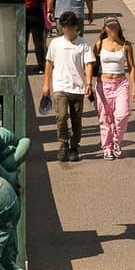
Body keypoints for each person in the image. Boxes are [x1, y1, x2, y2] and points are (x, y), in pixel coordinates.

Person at [41, 12, 95, 164]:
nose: (66, 30)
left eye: (69, 27)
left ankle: (74, 146)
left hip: (78, 88)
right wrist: (46, 84)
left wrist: (89, 83)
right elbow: (49, 63)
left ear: (75, 27)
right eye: (64, 27)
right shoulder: (55, 43)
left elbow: (88, 64)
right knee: (62, 116)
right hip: (60, 87)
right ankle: (63, 142)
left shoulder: (83, 44)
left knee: (76, 120)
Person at [92, 17, 135, 159]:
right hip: (103, 83)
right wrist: (87, 83)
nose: (112, 29)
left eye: (115, 26)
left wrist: (134, 89)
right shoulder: (99, 44)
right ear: (105, 28)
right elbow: (91, 64)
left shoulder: (126, 45)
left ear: (118, 28)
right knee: (105, 117)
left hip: (121, 83)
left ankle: (117, 141)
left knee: (122, 115)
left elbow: (131, 67)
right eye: (110, 26)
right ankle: (107, 147)